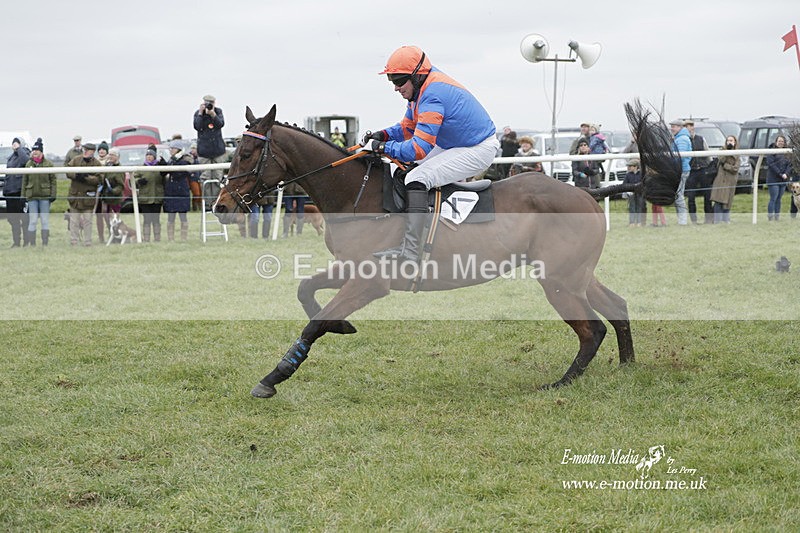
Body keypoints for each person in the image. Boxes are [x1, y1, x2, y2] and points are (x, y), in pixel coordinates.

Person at [363, 45, 499, 262]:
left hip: (477, 148)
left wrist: (383, 148)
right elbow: (407, 127)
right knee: (401, 169)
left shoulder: (432, 95)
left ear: (417, 76)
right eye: (391, 80)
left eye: (399, 80)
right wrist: (384, 135)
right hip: (455, 144)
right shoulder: (420, 91)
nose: (395, 87)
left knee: (417, 177)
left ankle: (411, 252)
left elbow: (417, 149)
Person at [192, 94, 226, 207]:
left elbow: (220, 124)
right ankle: (207, 204)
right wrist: (201, 114)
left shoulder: (218, 111)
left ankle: (217, 202)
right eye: (207, 102)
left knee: (217, 177)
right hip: (204, 151)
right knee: (206, 177)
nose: (209, 105)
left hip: (218, 151)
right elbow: (197, 126)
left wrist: (213, 115)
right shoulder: (198, 113)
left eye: (211, 103)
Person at [65, 142, 102, 246]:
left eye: (87, 150)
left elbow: (99, 178)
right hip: (75, 196)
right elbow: (67, 171)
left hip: (88, 197)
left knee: (88, 221)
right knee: (74, 221)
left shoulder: (97, 164)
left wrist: (86, 178)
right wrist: (76, 175)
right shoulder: (75, 160)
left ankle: (88, 242)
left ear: (93, 152)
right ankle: (74, 241)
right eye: (84, 150)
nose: (85, 152)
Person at [22, 138, 57, 246]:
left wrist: (53, 195)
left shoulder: (49, 164)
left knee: (44, 220)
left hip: (45, 197)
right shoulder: (28, 164)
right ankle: (32, 244)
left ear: (41, 152)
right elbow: (25, 181)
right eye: (33, 150)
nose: (34, 152)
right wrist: (23, 196)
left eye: (37, 150)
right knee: (32, 220)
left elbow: (53, 181)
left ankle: (45, 243)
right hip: (32, 196)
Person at [132, 145, 165, 241]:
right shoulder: (141, 168)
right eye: (147, 155)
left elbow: (164, 178)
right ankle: (146, 239)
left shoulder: (159, 168)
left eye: (151, 155)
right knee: (146, 220)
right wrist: (139, 181)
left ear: (154, 156)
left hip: (157, 198)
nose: (149, 157)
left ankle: (157, 238)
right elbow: (133, 179)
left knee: (156, 220)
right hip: (145, 199)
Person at [683, 119, 713, 224]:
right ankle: (694, 220)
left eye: (690, 125)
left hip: (703, 169)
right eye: (686, 126)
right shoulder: (684, 140)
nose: (688, 128)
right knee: (690, 197)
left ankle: (709, 219)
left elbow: (707, 154)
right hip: (691, 171)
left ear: (693, 127)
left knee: (708, 195)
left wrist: (709, 167)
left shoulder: (701, 139)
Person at [4, 137, 31, 247]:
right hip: (10, 192)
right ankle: (16, 242)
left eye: (17, 143)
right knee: (12, 219)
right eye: (14, 143)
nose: (14, 145)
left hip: (20, 192)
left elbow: (25, 161)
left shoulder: (25, 154)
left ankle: (26, 241)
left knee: (24, 219)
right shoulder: (10, 158)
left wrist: (19, 149)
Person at [163, 140, 192, 241]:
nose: (171, 150)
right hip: (171, 191)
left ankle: (183, 239)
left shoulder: (185, 160)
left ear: (178, 149)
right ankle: (171, 239)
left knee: (183, 216)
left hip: (181, 191)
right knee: (170, 217)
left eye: (173, 148)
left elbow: (179, 174)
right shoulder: (171, 160)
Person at [97, 147, 126, 242]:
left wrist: (113, 191)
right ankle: (110, 235)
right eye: (109, 154)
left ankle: (116, 237)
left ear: (117, 156)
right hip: (106, 197)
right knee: (106, 218)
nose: (110, 156)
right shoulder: (107, 166)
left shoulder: (119, 169)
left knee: (115, 220)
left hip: (115, 198)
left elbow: (121, 186)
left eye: (112, 155)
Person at [710, 135, 740, 224]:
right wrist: (727, 151)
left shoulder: (737, 153)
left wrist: (726, 166)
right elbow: (721, 160)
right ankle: (717, 221)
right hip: (720, 179)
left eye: (731, 140)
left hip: (731, 180)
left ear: (735, 142)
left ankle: (726, 220)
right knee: (718, 200)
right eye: (728, 140)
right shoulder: (722, 151)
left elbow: (735, 168)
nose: (729, 142)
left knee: (728, 202)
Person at [669, 118, 692, 225]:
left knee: (679, 195)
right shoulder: (679, 138)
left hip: (681, 170)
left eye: (673, 126)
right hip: (680, 170)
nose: (672, 129)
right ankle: (681, 220)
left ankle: (683, 221)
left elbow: (680, 156)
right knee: (678, 195)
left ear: (679, 127)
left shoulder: (681, 139)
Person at [765, 135, 791, 221]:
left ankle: (777, 217)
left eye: (782, 141)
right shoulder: (771, 151)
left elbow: (790, 164)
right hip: (773, 179)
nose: (781, 143)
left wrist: (786, 173)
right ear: (776, 141)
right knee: (774, 198)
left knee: (779, 199)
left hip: (783, 179)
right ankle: (770, 217)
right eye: (779, 141)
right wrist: (780, 174)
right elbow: (771, 164)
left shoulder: (787, 152)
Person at [622, 159, 646, 226]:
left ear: (635, 166)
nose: (629, 167)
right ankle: (631, 222)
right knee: (632, 208)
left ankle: (639, 222)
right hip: (631, 194)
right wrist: (627, 191)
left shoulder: (641, 174)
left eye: (630, 166)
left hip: (640, 193)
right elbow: (624, 184)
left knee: (639, 207)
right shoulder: (628, 175)